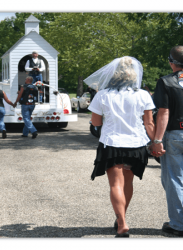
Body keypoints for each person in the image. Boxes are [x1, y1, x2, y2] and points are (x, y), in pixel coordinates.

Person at [85, 56, 156, 238]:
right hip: (136, 144)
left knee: (116, 184)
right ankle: (121, 218)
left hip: (112, 143)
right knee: (128, 182)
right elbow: (149, 123)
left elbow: (95, 122)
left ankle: (122, 222)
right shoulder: (143, 95)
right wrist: (156, 142)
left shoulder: (103, 94)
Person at [150, 45, 183, 236]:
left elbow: (163, 113)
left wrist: (157, 140)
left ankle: (178, 224)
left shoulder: (165, 82)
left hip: (174, 134)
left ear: (171, 62)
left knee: (174, 180)